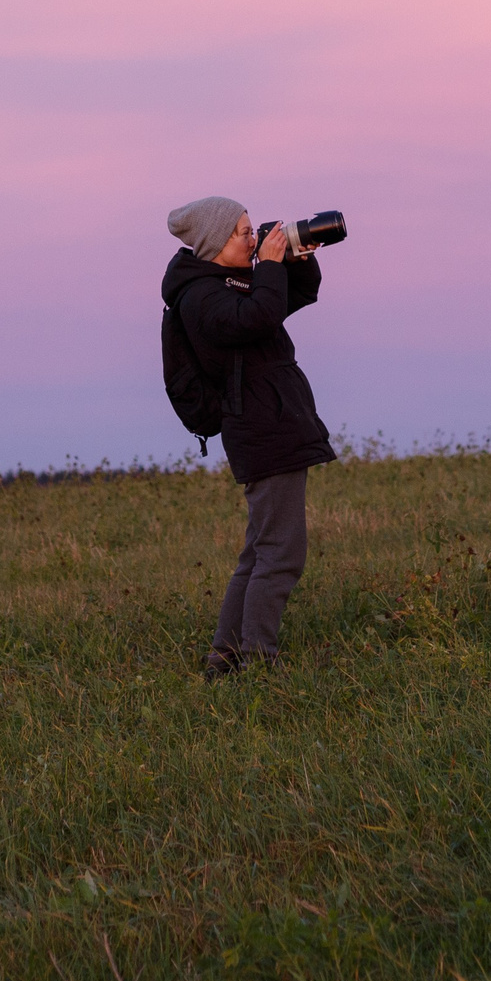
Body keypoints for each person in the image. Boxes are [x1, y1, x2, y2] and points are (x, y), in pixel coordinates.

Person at [161, 196, 337, 679]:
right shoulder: (202, 297)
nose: (253, 239)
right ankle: (260, 662)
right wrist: (272, 266)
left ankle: (225, 657)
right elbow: (254, 317)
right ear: (216, 242)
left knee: (259, 551)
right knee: (281, 553)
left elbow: (286, 300)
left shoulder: (226, 283)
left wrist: (296, 262)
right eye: (243, 232)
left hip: (272, 421)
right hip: (262, 428)